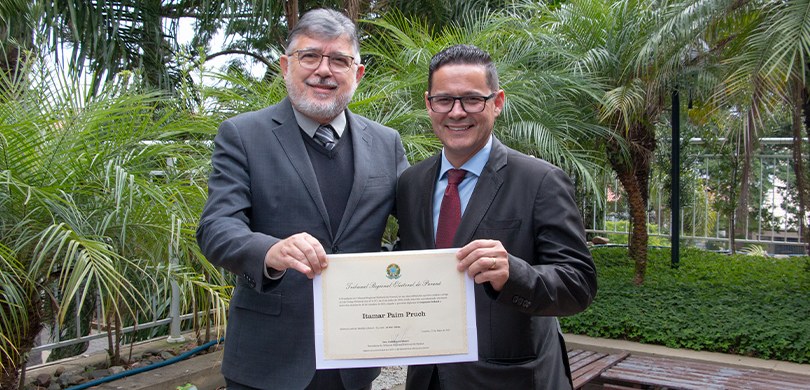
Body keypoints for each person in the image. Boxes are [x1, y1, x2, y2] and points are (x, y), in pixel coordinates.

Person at [196, 8, 409, 390]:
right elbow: (216, 228)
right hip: (268, 359)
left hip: (355, 359)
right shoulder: (243, 136)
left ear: (357, 73)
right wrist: (271, 252)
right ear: (285, 65)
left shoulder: (386, 142)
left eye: (339, 60)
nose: (323, 70)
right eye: (309, 56)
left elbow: (417, 225)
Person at [396, 44, 597, 390]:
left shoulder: (541, 181)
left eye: (473, 99)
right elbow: (411, 257)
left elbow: (578, 283)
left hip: (514, 379)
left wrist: (513, 274)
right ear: (429, 104)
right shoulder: (411, 183)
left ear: (498, 102)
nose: (457, 112)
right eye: (444, 100)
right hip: (427, 380)